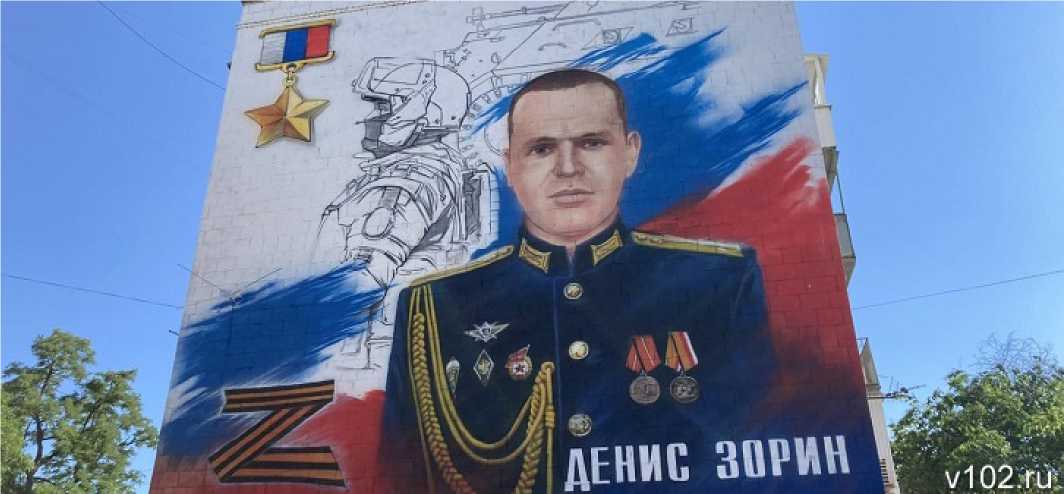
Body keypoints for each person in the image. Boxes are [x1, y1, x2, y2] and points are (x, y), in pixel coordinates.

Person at [379, 69, 775, 493]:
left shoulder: (720, 283)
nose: (568, 169)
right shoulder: (433, 307)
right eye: (542, 148)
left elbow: (767, 448)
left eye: (591, 143)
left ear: (630, 153)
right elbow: (400, 474)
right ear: (510, 166)